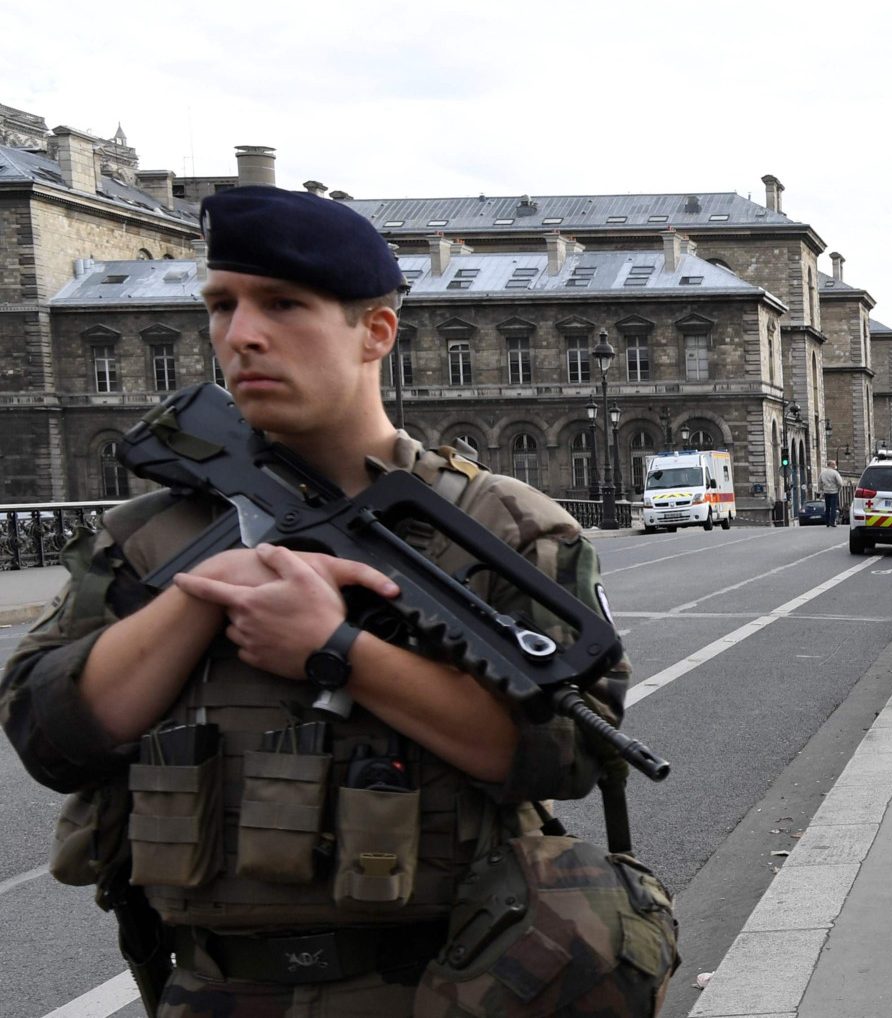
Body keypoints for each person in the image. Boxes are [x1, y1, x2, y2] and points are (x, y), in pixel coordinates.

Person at [0, 186, 636, 1014]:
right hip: (212, 990)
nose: (242, 335)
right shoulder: (150, 536)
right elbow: (47, 736)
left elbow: (570, 753)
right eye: (221, 306)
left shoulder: (501, 525)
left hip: (447, 987)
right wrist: (202, 594)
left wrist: (338, 652)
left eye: (284, 305)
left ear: (376, 331)